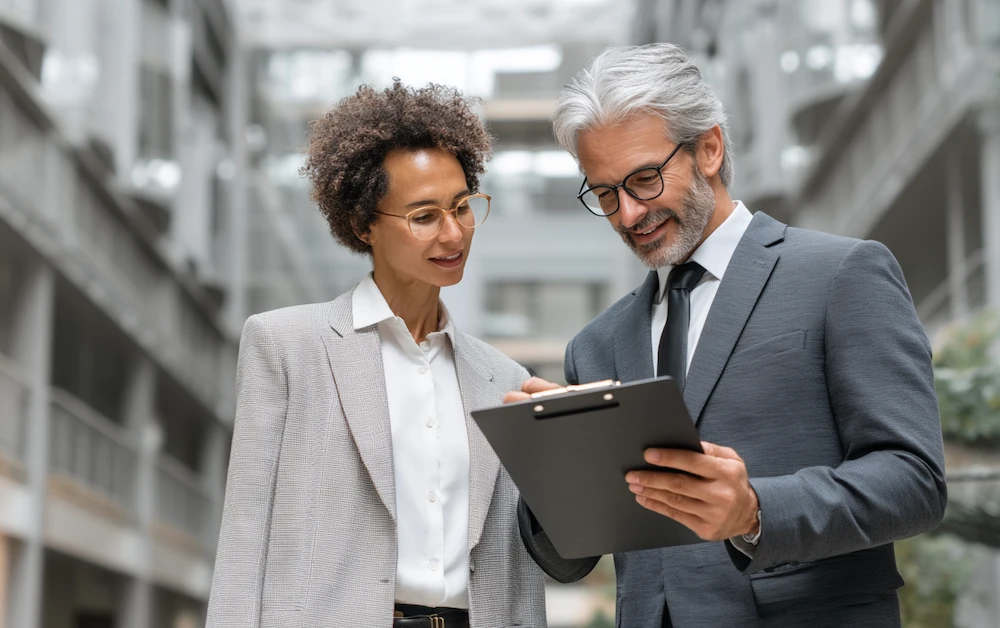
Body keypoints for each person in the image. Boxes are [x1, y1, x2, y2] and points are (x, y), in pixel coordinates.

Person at [509, 43, 947, 627]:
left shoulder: (840, 276)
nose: (628, 215)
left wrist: (756, 510)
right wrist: (551, 468)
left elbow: (914, 481)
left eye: (643, 179)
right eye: (606, 193)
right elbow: (568, 559)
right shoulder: (598, 343)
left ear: (709, 148)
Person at [206, 81, 546, 628]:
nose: (454, 232)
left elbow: (514, 564)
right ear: (364, 224)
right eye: (424, 215)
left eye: (462, 206)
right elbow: (245, 534)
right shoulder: (286, 346)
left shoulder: (501, 377)